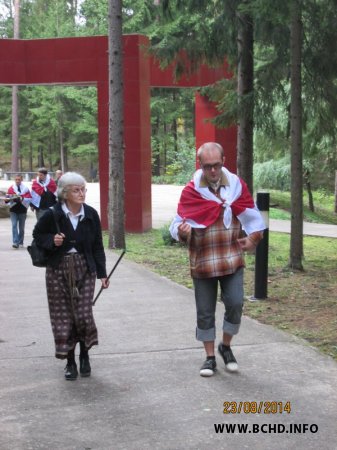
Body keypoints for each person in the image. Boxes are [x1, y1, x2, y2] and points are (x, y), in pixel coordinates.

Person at [170, 142, 265, 377]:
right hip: (203, 262)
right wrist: (182, 232)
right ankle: (210, 357)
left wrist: (253, 240)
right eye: (208, 166)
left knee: (235, 304)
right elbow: (177, 224)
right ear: (200, 165)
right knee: (205, 312)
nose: (213, 171)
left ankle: (226, 346)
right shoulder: (191, 191)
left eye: (217, 165)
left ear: (223, 161)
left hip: (231, 259)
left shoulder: (236, 187)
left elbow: (253, 216)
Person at [32, 172, 109, 380]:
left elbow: (97, 247)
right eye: (76, 190)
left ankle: (85, 355)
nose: (81, 193)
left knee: (83, 315)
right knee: (63, 317)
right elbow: (37, 235)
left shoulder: (91, 214)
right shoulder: (52, 214)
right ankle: (70, 361)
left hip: (85, 269)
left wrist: (102, 274)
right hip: (57, 270)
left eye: (83, 189)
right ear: (65, 193)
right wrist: (52, 241)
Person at [5, 174, 32, 248]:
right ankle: (15, 242)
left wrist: (21, 199)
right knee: (14, 225)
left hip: (22, 210)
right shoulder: (11, 188)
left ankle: (20, 242)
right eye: (16, 179)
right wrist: (7, 200)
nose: (17, 181)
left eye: (19, 179)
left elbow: (29, 199)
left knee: (21, 228)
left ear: (21, 180)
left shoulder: (26, 189)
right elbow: (7, 198)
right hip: (13, 210)